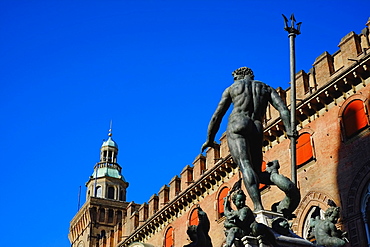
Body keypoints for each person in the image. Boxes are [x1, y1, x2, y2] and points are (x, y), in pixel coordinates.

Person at [201, 67, 293, 211]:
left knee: (245, 165)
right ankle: (277, 178)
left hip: (238, 124)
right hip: (257, 127)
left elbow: (217, 116)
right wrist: (289, 130)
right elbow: (283, 110)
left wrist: (210, 139)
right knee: (257, 173)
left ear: (238, 76)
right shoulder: (266, 88)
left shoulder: (232, 89)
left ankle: (258, 207)